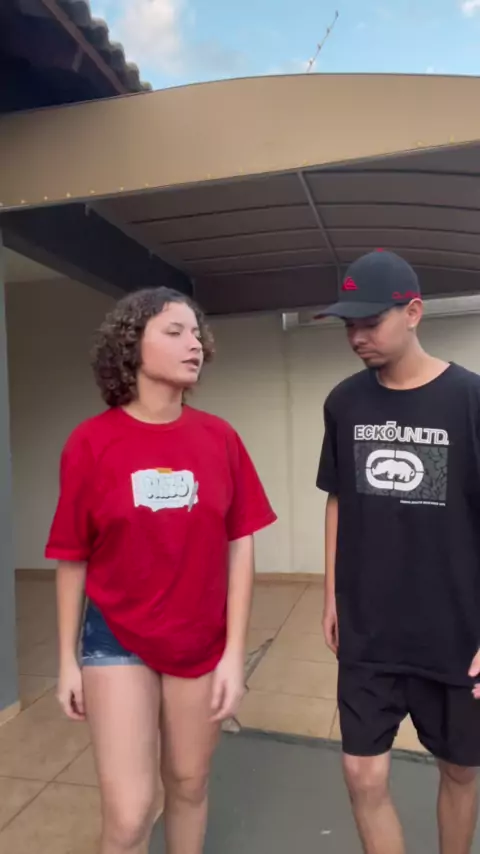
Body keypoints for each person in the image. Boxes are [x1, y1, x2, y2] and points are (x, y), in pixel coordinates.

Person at [46, 286, 276, 854]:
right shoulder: (90, 443)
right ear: (131, 346)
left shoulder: (220, 439)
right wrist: (67, 661)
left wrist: (234, 654)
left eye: (197, 333)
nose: (194, 344)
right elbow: (72, 556)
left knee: (189, 783)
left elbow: (240, 545)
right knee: (129, 818)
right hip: (115, 637)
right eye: (175, 332)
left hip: (200, 638)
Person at [316, 250, 480, 854]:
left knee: (460, 771)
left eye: (370, 323)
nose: (357, 337)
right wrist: (332, 594)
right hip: (369, 628)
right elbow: (338, 498)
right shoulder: (344, 402)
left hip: (455, 630)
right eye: (349, 326)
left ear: (413, 313)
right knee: (363, 775)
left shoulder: (470, 399)